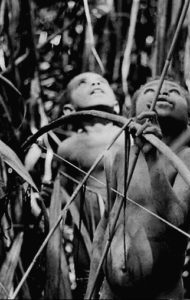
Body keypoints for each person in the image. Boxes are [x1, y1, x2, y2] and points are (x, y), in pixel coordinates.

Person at [86, 78, 190, 299]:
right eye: (150, 90)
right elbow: (105, 227)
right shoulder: (120, 157)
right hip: (112, 293)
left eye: (174, 92)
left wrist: (152, 155)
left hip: (162, 292)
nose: (163, 92)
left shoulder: (189, 157)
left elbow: (175, 219)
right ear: (133, 115)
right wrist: (91, 291)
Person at [56, 72, 124, 298]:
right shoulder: (68, 147)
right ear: (68, 111)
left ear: (117, 105)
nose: (95, 83)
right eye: (82, 83)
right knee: (90, 281)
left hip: (128, 224)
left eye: (101, 81)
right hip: (87, 228)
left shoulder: (130, 137)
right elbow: (62, 192)